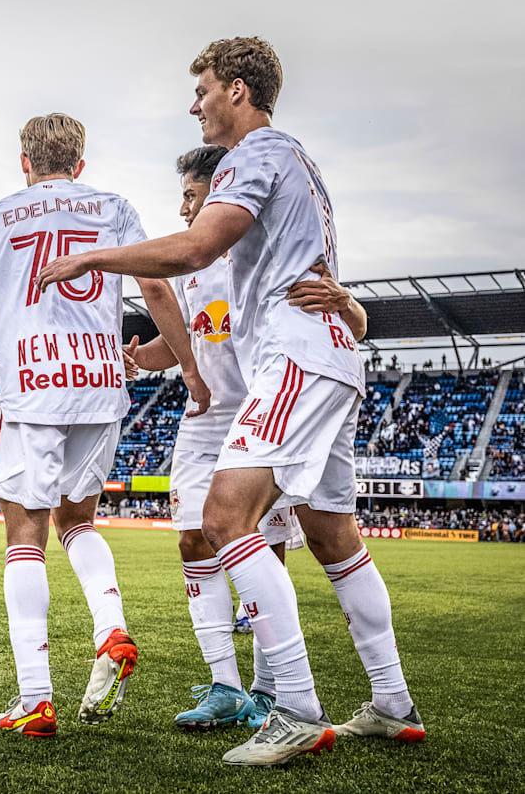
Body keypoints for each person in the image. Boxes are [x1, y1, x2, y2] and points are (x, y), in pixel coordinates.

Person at [37, 37, 421, 765]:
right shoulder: (298, 158)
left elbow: (195, 249)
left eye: (204, 89)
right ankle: (392, 703)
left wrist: (90, 257)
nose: (196, 104)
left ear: (238, 90)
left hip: (295, 359)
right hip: (328, 359)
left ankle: (296, 710)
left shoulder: (254, 154)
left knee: (223, 518)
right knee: (335, 538)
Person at [0, 112, 201, 737]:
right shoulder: (115, 208)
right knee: (79, 522)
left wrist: (28, 352)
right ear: (81, 161)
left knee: (24, 537)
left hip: (33, 388)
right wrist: (189, 369)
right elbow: (156, 293)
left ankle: (34, 697)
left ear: (24, 161)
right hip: (100, 385)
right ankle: (110, 627)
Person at [126, 144, 361, 730]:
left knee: (267, 548)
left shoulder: (263, 254)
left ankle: (269, 687)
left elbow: (344, 319)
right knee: (192, 542)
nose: (184, 208)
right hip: (203, 422)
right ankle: (224, 687)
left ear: (222, 188)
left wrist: (350, 303)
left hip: (261, 411)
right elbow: (182, 344)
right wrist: (144, 357)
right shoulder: (191, 270)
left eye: (190, 194)